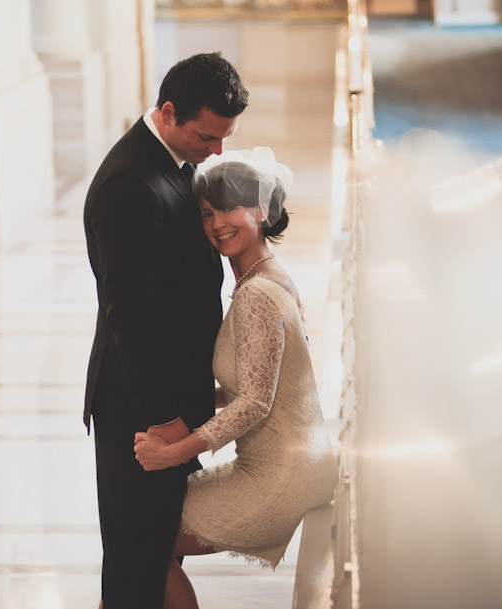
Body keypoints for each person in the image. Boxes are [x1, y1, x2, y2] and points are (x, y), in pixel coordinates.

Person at [133, 148, 339, 609]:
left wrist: (174, 453)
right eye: (207, 213)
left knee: (142, 540)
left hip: (279, 475)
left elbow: (255, 404)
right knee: (146, 534)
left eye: (229, 208)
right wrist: (182, 404)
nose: (217, 222)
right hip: (295, 461)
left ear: (261, 211)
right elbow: (256, 383)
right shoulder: (266, 277)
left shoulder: (257, 295)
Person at [83, 53, 249, 608]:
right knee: (139, 561)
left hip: (169, 399)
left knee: (156, 553)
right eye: (207, 135)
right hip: (140, 410)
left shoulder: (172, 160)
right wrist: (165, 420)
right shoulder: (128, 184)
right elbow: (129, 318)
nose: (217, 150)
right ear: (169, 111)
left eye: (224, 137)